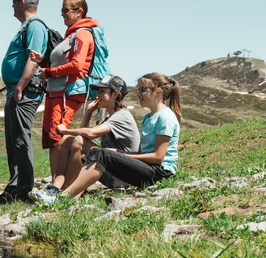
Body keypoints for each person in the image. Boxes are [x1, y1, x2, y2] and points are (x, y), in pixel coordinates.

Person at [41, 72, 182, 204]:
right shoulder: (147, 118)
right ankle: (64, 193)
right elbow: (140, 153)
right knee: (99, 152)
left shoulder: (165, 117)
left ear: (158, 91)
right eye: (138, 89)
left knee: (102, 154)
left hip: (160, 173)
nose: (138, 93)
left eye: (143, 89)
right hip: (147, 169)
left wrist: (119, 156)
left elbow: (158, 157)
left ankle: (64, 198)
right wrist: (116, 154)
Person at [0, 0, 48, 206]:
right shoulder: (25, 27)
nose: (12, 6)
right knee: (13, 141)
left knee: (21, 140)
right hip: (15, 91)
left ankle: (22, 189)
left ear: (22, 2)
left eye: (14, 2)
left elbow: (34, 59)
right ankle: (13, 187)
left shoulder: (36, 26)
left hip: (25, 91)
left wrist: (21, 87)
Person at [38, 75, 138, 200]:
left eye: (102, 92)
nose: (98, 95)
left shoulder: (122, 116)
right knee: (68, 140)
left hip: (122, 177)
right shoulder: (111, 117)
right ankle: (57, 188)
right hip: (110, 168)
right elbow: (84, 136)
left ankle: (68, 196)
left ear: (115, 95)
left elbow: (90, 134)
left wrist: (65, 130)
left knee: (77, 141)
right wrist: (89, 112)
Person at [39, 0, 98, 189]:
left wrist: (49, 72)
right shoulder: (71, 34)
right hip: (57, 91)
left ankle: (60, 187)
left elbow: (77, 65)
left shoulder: (82, 34)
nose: (62, 14)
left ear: (79, 12)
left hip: (67, 92)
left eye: (66, 10)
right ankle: (55, 184)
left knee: (58, 137)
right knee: (51, 138)